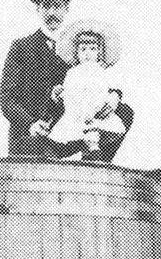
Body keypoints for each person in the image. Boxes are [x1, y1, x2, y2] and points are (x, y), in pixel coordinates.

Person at [0, 0, 134, 161]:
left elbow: (97, 79)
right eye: (46, 6)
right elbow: (7, 99)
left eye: (58, 6)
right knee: (37, 153)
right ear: (38, 9)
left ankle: (94, 165)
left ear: (66, 8)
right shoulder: (21, 47)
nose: (52, 13)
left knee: (124, 112)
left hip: (75, 129)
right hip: (36, 136)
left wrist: (114, 96)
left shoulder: (80, 50)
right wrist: (31, 124)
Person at [48, 20, 127, 161]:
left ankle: (96, 160)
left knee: (93, 138)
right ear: (76, 52)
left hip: (96, 112)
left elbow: (109, 89)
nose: (87, 53)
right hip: (75, 114)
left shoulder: (101, 72)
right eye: (83, 49)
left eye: (92, 49)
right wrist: (60, 95)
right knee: (72, 138)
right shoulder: (72, 73)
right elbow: (69, 93)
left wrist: (111, 98)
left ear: (99, 52)